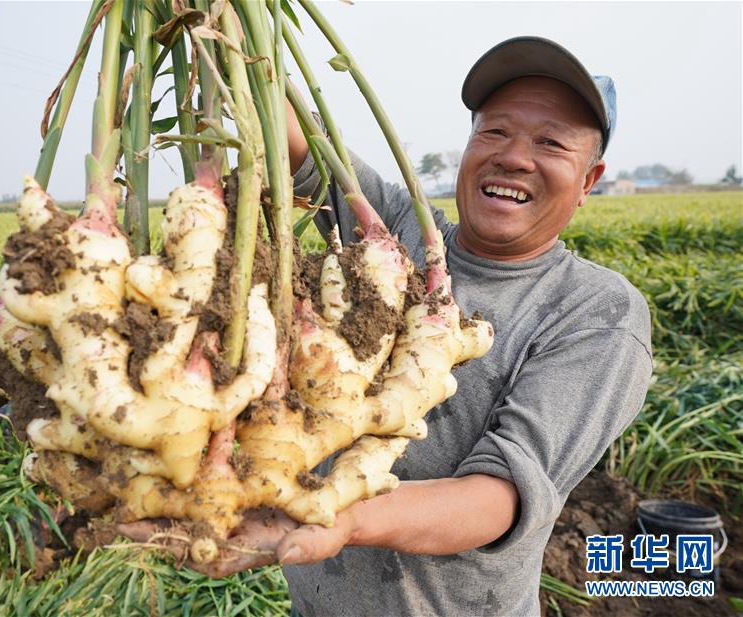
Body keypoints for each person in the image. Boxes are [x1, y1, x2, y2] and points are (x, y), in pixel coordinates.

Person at [122, 36, 653, 616]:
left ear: (589, 179)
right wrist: (230, 32)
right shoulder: (392, 233)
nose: (515, 157)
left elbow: (498, 496)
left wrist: (339, 514)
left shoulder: (596, 312)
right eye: (495, 132)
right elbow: (295, 139)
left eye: (550, 142)